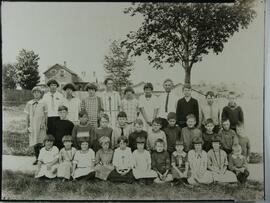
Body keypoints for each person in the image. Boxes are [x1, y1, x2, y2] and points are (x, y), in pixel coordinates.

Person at [24, 86, 48, 165]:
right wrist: (27, 126)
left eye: (38, 92)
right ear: (33, 94)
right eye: (35, 92)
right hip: (33, 126)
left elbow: (45, 115)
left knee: (41, 142)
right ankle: (37, 158)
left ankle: (42, 159)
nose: (36, 94)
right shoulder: (29, 103)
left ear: (41, 94)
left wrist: (45, 124)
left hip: (41, 125)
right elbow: (27, 116)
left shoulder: (43, 103)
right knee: (35, 142)